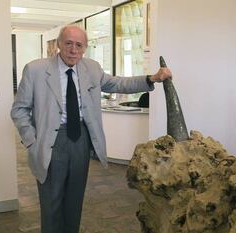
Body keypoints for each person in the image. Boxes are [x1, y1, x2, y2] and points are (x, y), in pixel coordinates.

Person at [10, 25, 172, 233]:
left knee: (75, 200)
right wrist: (32, 141)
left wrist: (151, 79)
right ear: (59, 44)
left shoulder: (92, 68)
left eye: (79, 45)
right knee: (51, 202)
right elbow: (19, 110)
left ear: (85, 48)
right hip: (51, 142)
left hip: (81, 139)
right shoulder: (35, 70)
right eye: (68, 43)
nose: (73, 50)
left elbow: (118, 84)